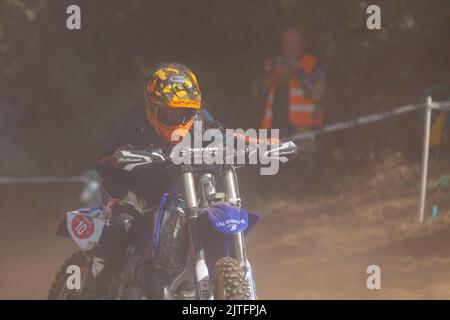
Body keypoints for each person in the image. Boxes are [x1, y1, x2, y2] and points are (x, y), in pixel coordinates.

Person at [81, 63, 226, 299]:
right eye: (168, 113)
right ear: (151, 108)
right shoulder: (135, 120)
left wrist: (254, 149)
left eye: (185, 113)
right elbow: (104, 158)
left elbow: (224, 138)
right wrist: (121, 158)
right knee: (123, 223)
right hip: (133, 188)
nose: (177, 119)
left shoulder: (201, 118)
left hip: (181, 189)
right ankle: (92, 290)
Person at [255, 27, 325, 181]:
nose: (289, 48)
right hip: (276, 132)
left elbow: (317, 95)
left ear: (302, 43)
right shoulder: (277, 68)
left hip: (304, 132)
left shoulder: (312, 65)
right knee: (275, 175)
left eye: (293, 43)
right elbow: (259, 93)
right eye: (286, 44)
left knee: (303, 169)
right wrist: (270, 74)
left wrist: (299, 73)